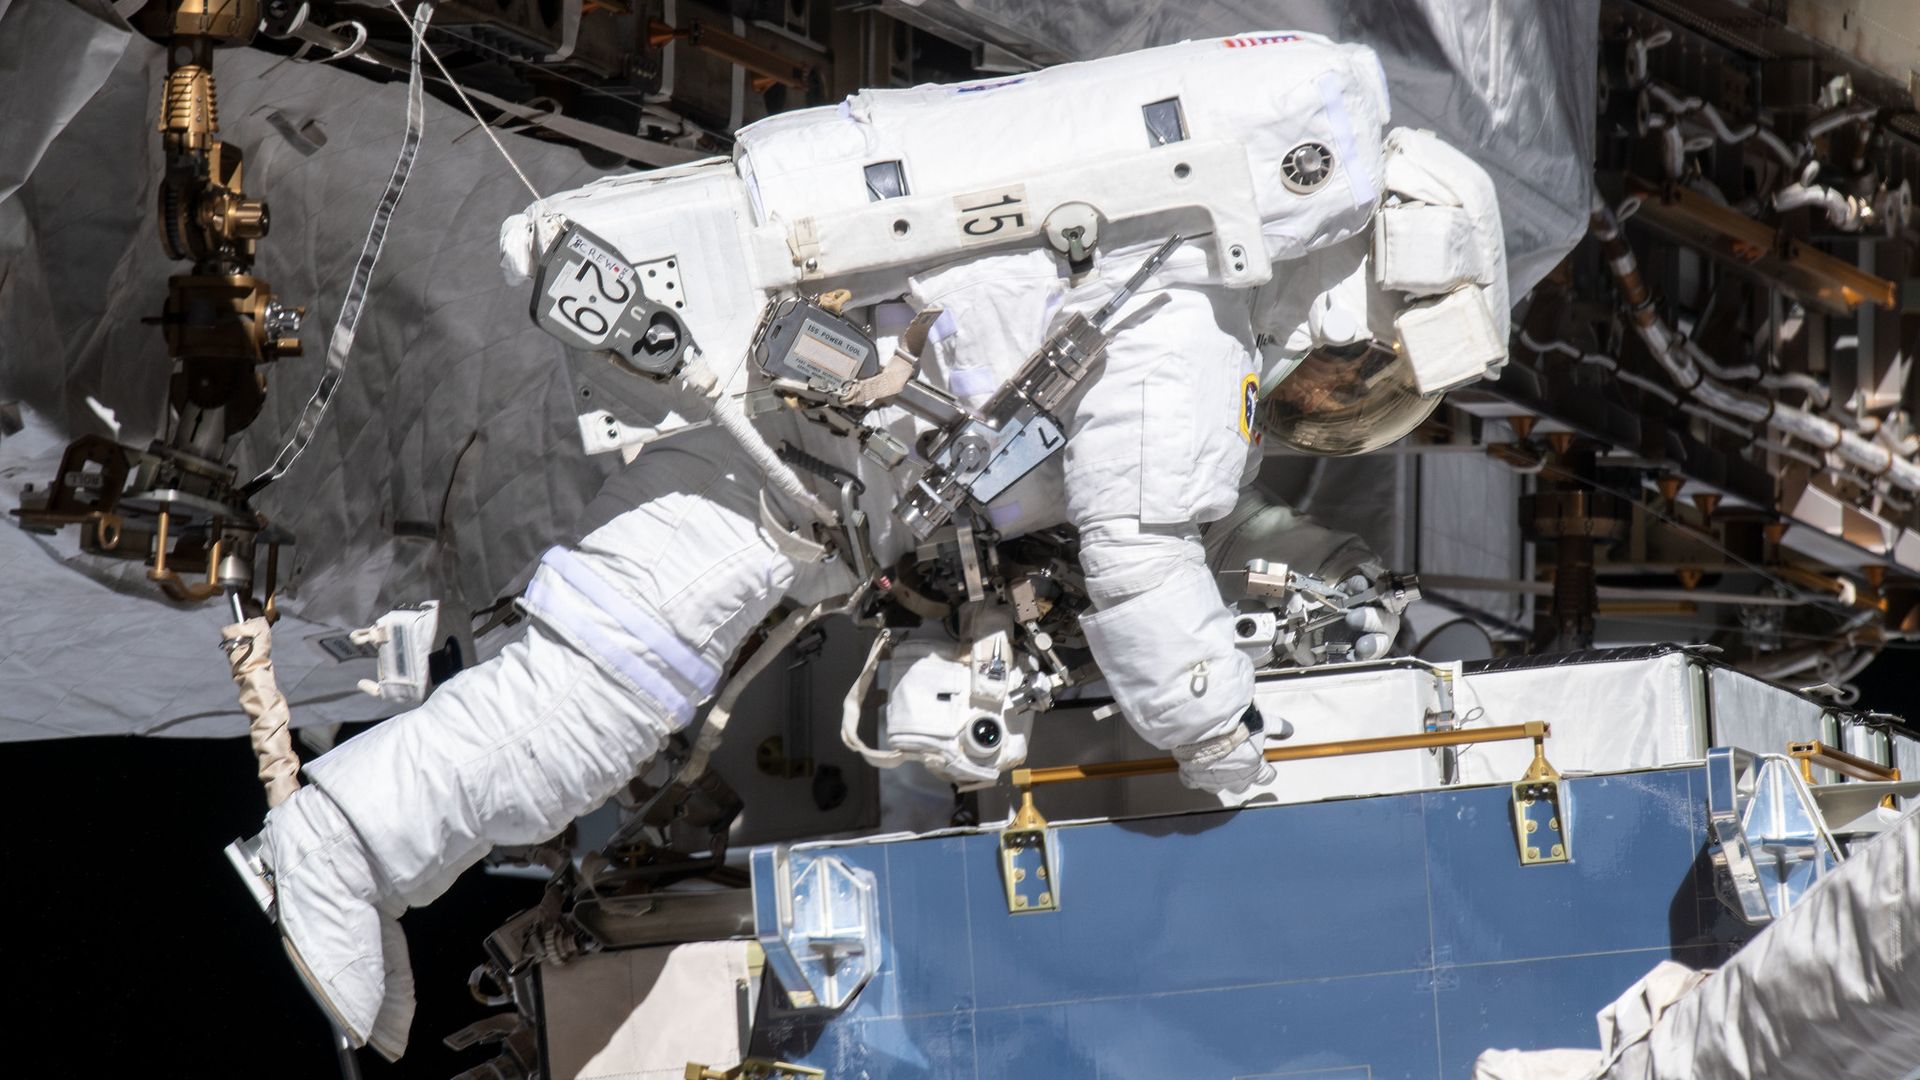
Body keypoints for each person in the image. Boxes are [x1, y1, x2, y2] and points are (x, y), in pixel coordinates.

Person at [247, 32, 1507, 1057]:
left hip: (813, 444)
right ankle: (344, 849)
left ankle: (373, 860)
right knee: (601, 690)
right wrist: (1231, 748)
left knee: (618, 696)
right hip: (791, 446)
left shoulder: (1165, 268)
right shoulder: (1192, 317)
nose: (1338, 395)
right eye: (1366, 368)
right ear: (1362, 286)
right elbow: (1144, 558)